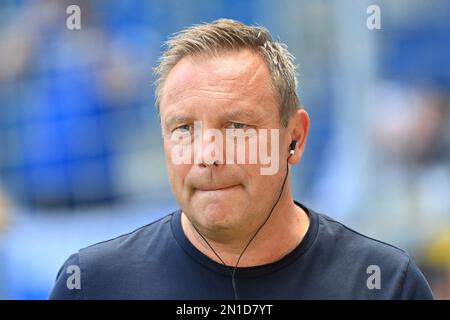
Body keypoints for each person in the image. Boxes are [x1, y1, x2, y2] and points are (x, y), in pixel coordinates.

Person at [49, 19, 433, 299]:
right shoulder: (93, 284)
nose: (208, 155)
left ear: (294, 139)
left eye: (236, 127)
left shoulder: (383, 284)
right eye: (183, 129)